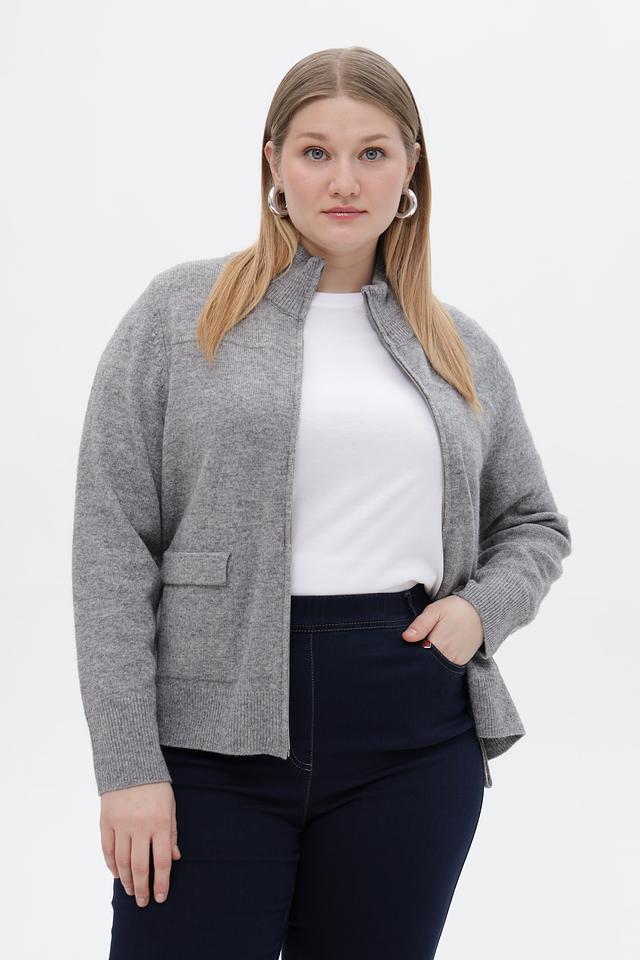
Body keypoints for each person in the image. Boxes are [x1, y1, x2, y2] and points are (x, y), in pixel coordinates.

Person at [72, 46, 572, 959]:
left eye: (372, 153)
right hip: (211, 739)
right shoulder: (180, 315)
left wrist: (478, 613)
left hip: (409, 732)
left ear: (411, 167)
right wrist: (128, 765)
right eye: (316, 152)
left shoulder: (457, 347)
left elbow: (532, 523)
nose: (345, 181)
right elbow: (112, 544)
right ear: (273, 162)